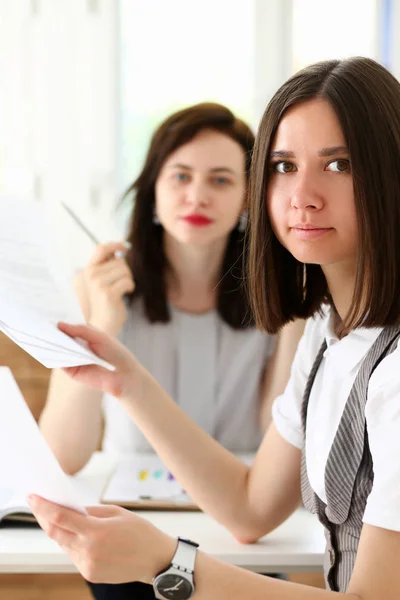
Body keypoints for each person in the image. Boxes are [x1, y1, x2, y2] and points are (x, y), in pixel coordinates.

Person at [29, 55, 400, 599]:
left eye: (339, 164)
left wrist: (169, 561)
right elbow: (249, 507)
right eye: (283, 166)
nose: (303, 195)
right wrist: (126, 379)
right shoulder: (327, 329)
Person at [40, 102, 304, 476]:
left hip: (244, 499)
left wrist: (297, 318)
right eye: (180, 177)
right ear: (153, 191)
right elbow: (61, 457)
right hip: (132, 505)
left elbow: (278, 440)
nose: (197, 196)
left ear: (248, 198)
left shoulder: (279, 295)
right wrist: (101, 325)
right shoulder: (94, 286)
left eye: (220, 179)